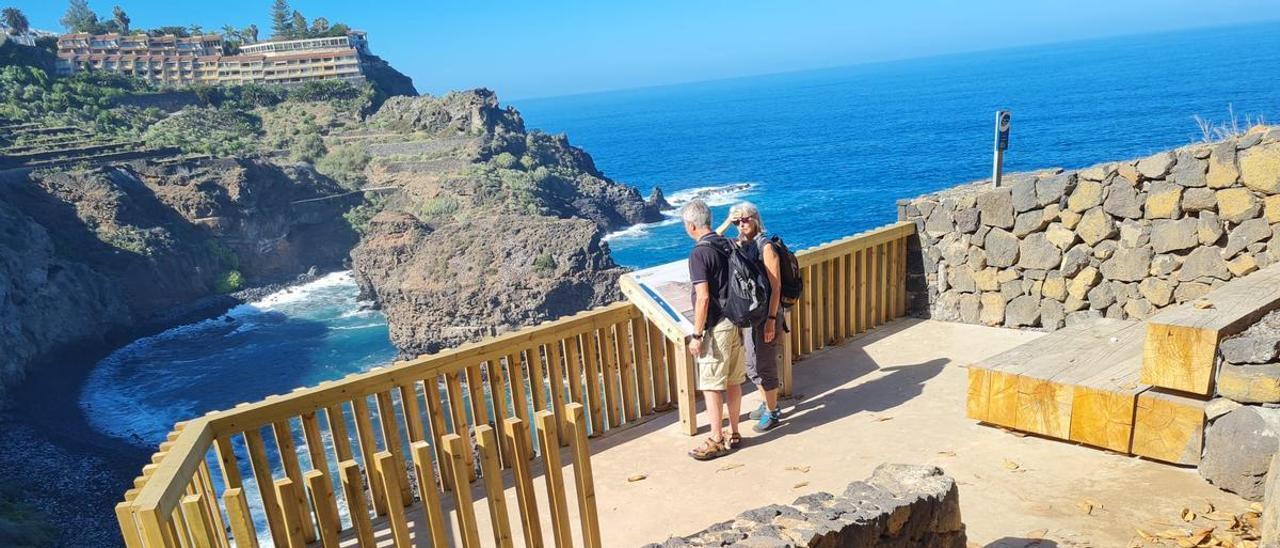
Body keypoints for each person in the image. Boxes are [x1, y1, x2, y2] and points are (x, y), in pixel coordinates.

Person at [682, 199, 745, 460]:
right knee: (733, 380)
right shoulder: (725, 243)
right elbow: (714, 234)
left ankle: (717, 438)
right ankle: (734, 432)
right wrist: (728, 223)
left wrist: (697, 335)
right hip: (735, 322)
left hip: (716, 326)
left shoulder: (698, 254)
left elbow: (704, 297)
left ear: (691, 225)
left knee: (711, 385)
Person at [717, 202, 784, 432]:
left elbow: (776, 288)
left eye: (745, 219)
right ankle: (767, 403)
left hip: (767, 314)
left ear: (756, 218)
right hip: (751, 314)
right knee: (751, 363)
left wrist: (771, 320)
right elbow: (711, 242)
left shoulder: (766, 247)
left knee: (764, 364)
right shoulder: (739, 244)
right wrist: (727, 221)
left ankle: (773, 411)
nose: (741, 224)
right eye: (738, 221)